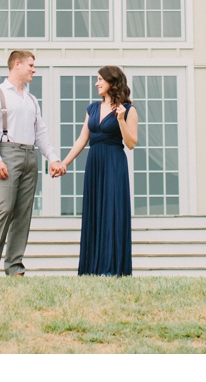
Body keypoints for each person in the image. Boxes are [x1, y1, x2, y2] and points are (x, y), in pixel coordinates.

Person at [0, 49, 63, 277]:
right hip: (7, 153)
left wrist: (52, 158)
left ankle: (15, 267)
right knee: (4, 209)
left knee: (23, 213)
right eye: (31, 65)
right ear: (17, 64)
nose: (33, 70)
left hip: (29, 156)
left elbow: (41, 133)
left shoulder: (32, 100)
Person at [59, 65, 138, 276]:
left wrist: (120, 119)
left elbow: (131, 143)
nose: (96, 83)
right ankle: (91, 269)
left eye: (100, 79)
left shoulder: (129, 109)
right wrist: (64, 163)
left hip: (114, 162)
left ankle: (112, 268)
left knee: (112, 211)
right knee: (95, 212)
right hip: (94, 163)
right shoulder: (92, 108)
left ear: (112, 81)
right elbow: (82, 140)